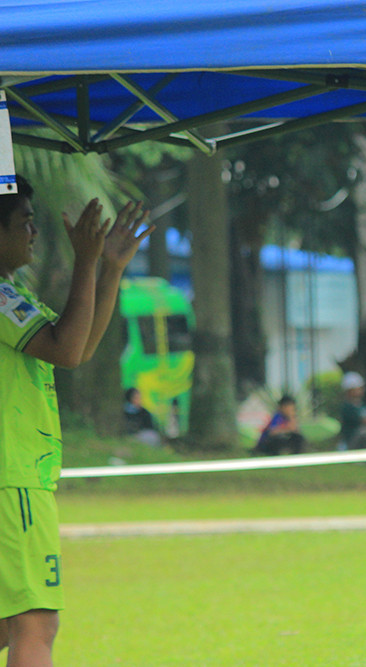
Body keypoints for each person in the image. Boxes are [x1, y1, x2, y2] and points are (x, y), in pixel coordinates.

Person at [0, 175, 151, 666]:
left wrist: (108, 269)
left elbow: (78, 344)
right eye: (25, 222)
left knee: (7, 625)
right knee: (35, 625)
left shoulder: (10, 294)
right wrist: (86, 260)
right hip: (12, 480)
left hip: (16, 477)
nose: (34, 232)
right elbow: (67, 350)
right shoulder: (1, 298)